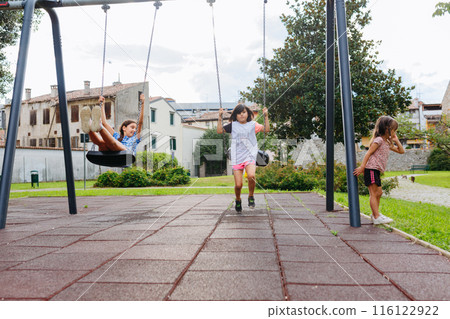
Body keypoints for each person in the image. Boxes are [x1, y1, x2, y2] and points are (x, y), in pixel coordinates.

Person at [217, 104, 270, 213]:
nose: (242, 114)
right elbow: (219, 131)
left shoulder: (253, 125)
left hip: (250, 154)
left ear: (248, 114)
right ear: (235, 115)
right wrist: (219, 117)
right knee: (238, 185)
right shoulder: (233, 125)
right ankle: (238, 199)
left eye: (244, 112)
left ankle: (251, 196)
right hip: (237, 156)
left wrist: (266, 117)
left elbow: (266, 130)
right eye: (239, 113)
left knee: (251, 175)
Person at [353, 115, 405, 224]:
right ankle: (376, 217)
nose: (395, 131)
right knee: (373, 193)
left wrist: (396, 140)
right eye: (394, 129)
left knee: (379, 192)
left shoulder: (387, 142)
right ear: (387, 129)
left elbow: (401, 151)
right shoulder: (379, 140)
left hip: (376, 170)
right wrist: (362, 167)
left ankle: (376, 214)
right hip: (371, 168)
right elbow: (368, 153)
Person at [80, 94, 145, 154]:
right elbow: (105, 123)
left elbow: (140, 122)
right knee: (102, 143)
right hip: (112, 156)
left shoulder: (135, 138)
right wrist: (102, 105)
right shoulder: (117, 136)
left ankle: (98, 126)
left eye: (135, 129)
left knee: (113, 143)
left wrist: (142, 103)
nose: (134, 130)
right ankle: (88, 124)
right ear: (124, 128)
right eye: (132, 127)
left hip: (126, 155)